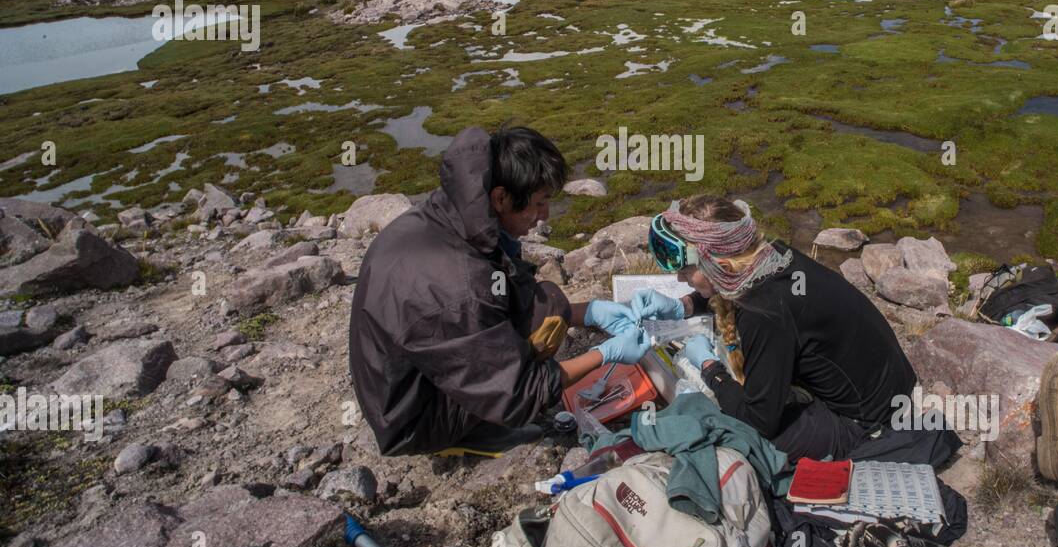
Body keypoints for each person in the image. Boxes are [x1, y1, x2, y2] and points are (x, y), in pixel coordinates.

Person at [348, 124, 649, 457]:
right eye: (540, 202)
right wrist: (604, 354)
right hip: (412, 416)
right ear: (501, 197)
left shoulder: (454, 218)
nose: (544, 215)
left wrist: (588, 311)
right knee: (531, 366)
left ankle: (477, 407)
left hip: (407, 378)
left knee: (544, 311)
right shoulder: (457, 286)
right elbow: (520, 392)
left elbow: (504, 295)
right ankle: (468, 432)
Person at [632, 194, 920, 462]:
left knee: (733, 432)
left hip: (866, 422)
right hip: (890, 387)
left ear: (718, 263)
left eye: (685, 271)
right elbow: (730, 289)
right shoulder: (770, 255)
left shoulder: (765, 312)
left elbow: (759, 419)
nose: (681, 279)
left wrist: (710, 369)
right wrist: (685, 306)